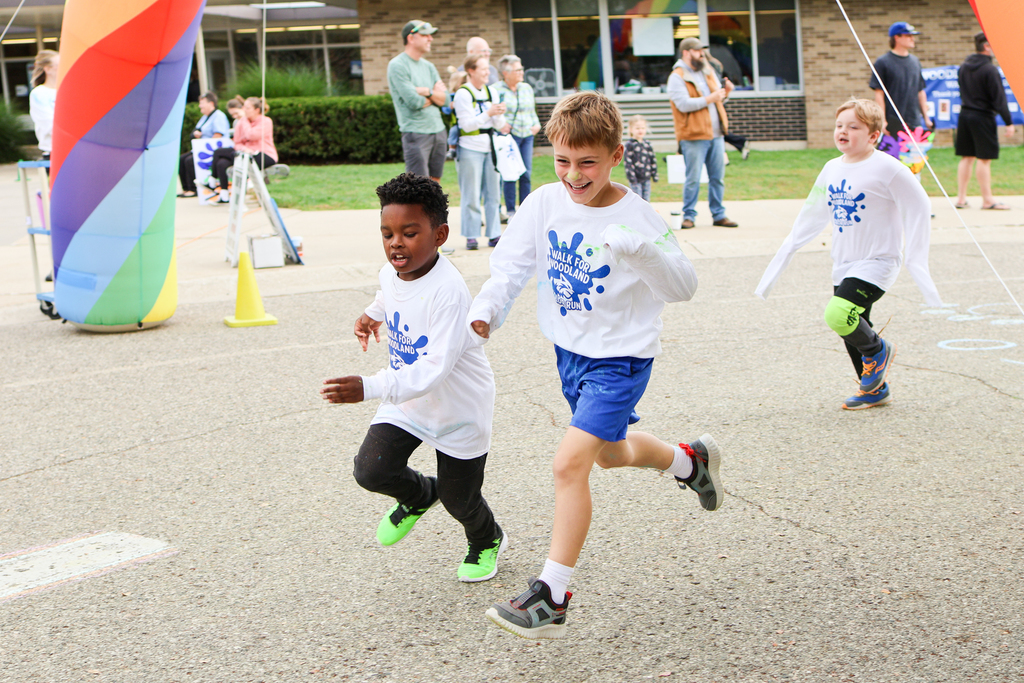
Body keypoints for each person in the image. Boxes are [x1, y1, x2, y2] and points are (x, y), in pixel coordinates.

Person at [468, 92, 722, 639]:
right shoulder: (542, 203)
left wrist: (641, 252)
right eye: (562, 160)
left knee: (569, 465)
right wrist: (485, 311)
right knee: (610, 455)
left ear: (615, 154)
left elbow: (684, 286)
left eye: (587, 162)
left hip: (621, 360)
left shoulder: (638, 216)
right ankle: (689, 462)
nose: (574, 174)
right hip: (570, 356)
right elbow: (511, 267)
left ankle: (552, 595)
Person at [320, 173, 506, 583]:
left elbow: (432, 370)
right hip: (409, 399)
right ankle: (420, 494)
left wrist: (368, 387)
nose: (395, 244)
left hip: (458, 408)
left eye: (409, 233)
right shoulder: (393, 271)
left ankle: (487, 538)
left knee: (461, 500)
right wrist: (373, 313)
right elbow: (389, 293)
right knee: (371, 470)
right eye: (387, 233)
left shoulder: (450, 292)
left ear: (439, 234)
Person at [755, 99, 942, 410]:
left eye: (853, 127)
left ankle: (880, 349)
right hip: (844, 261)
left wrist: (916, 258)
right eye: (839, 125)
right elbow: (812, 212)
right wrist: (789, 248)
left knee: (838, 314)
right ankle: (874, 390)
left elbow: (920, 204)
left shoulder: (888, 167)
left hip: (878, 261)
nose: (843, 131)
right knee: (854, 325)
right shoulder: (831, 167)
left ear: (873, 136)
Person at [667, 37, 738, 229]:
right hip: (694, 135)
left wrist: (726, 92)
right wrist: (710, 98)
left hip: (716, 134)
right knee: (693, 178)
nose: (702, 54)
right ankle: (689, 216)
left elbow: (718, 100)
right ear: (686, 52)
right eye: (698, 51)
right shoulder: (677, 76)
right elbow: (683, 105)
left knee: (717, 178)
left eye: (702, 51)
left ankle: (719, 215)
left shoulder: (707, 71)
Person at [954, 31, 1016, 210]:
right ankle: (988, 200)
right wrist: (1008, 121)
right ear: (987, 46)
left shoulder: (964, 66)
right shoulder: (990, 69)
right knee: (984, 158)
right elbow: (999, 98)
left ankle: (961, 198)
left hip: (965, 115)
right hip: (982, 117)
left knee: (967, 157)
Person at [454, 54, 506, 251]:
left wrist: (499, 114)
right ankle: (471, 235)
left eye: (488, 69)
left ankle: (494, 234)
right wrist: (489, 113)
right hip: (470, 148)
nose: (488, 73)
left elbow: (499, 125)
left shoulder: (492, 91)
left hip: (489, 146)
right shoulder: (463, 94)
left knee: (493, 193)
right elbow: (466, 125)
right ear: (471, 71)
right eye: (483, 69)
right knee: (471, 193)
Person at [387, 20, 448, 182]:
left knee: (435, 184)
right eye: (425, 35)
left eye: (431, 35)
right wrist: (434, 95)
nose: (430, 39)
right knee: (418, 186)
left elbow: (446, 100)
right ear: (411, 38)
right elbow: (414, 101)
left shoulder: (429, 66)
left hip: (439, 130)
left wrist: (426, 91)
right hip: (416, 133)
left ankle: (434, 209)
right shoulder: (397, 65)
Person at [493, 54, 541, 218]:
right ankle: (511, 211)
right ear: (505, 73)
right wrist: (501, 125)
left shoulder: (526, 88)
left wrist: (536, 125)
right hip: (508, 137)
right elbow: (494, 112)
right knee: (509, 173)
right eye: (517, 69)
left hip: (527, 134)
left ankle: (525, 211)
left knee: (526, 173)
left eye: (521, 69)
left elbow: (531, 110)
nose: (521, 72)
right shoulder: (496, 89)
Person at [869, 22, 932, 139]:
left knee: (914, 157)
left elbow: (920, 91)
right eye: (908, 36)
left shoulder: (915, 61)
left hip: (914, 121)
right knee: (892, 156)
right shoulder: (883, 62)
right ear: (896, 37)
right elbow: (879, 93)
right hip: (892, 121)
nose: (912, 39)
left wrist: (926, 118)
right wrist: (883, 120)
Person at [211, 97, 278, 203]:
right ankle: (223, 193)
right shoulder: (242, 122)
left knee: (223, 154)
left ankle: (214, 180)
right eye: (243, 107)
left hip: (265, 154)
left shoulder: (266, 121)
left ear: (256, 110)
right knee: (222, 162)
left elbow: (251, 135)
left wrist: (244, 120)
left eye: (247, 108)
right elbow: (237, 142)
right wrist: (244, 148)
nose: (244, 110)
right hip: (246, 153)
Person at [178, 91, 230, 198]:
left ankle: (194, 189)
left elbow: (218, 134)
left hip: (211, 149)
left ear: (211, 103)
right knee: (181, 159)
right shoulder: (204, 117)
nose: (199, 106)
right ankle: (187, 188)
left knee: (189, 161)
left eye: (202, 103)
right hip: (200, 148)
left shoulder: (218, 116)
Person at [704, 49, 750, 161]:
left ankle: (739, 143)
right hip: (717, 99)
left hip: (713, 101)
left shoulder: (709, 67)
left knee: (716, 130)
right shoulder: (716, 63)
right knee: (716, 129)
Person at [29, 50, 59, 168]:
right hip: (54, 152)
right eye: (59, 65)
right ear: (48, 69)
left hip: (76, 149)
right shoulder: (39, 94)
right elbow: (49, 125)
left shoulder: (68, 90)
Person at [623, 114, 658, 201]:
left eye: (642, 128)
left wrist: (654, 174)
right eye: (637, 128)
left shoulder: (647, 144)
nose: (640, 130)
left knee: (646, 199)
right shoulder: (629, 145)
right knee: (637, 199)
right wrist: (631, 177)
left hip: (646, 177)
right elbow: (628, 162)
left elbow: (652, 160)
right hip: (635, 178)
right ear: (631, 129)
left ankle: (645, 214)